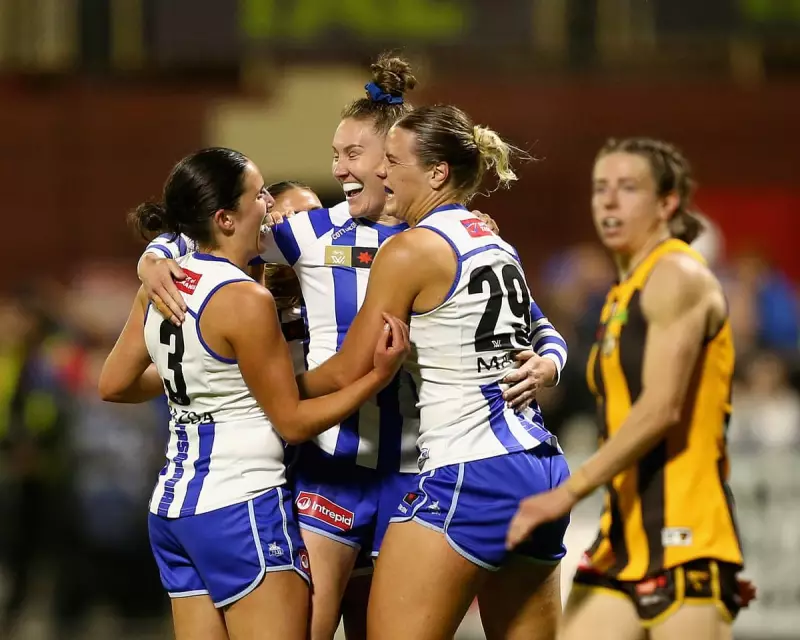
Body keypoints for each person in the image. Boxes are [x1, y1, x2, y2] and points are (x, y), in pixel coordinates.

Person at [134, 54, 564, 640]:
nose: (340, 169)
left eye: (358, 155)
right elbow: (215, 227)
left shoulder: (433, 239)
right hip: (335, 470)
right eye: (336, 155)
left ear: (403, 163)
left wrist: (549, 361)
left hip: (424, 471)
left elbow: (537, 323)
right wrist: (156, 253)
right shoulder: (318, 231)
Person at [98, 147, 409, 640]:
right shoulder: (245, 299)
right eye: (259, 194)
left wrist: (214, 374)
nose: (270, 204)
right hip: (241, 505)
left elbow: (113, 384)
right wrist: (377, 378)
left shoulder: (164, 282)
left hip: (174, 510)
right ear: (224, 218)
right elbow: (292, 421)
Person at [292, 105, 571, 640]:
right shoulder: (496, 243)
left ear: (437, 173)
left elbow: (350, 367)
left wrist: (264, 395)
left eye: (392, 161)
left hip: (470, 472)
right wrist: (552, 364)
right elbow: (542, 330)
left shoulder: (411, 249)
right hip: (540, 469)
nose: (380, 173)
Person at [507, 138, 747, 640]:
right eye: (600, 189)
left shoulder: (677, 275)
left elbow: (661, 409)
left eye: (628, 188)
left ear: (667, 204)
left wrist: (565, 493)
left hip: (685, 537)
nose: (608, 201)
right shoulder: (622, 294)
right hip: (622, 537)